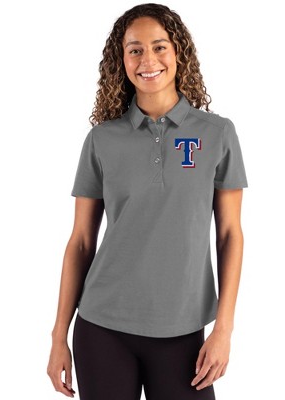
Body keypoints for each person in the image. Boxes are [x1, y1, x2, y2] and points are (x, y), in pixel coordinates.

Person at [47, 3, 248, 399]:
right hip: (102, 327)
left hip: (183, 331)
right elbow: (81, 242)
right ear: (121, 60)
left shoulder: (217, 134)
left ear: (178, 52)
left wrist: (223, 329)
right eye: (135, 50)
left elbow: (229, 235)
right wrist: (58, 336)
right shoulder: (102, 139)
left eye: (159, 47)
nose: (148, 60)